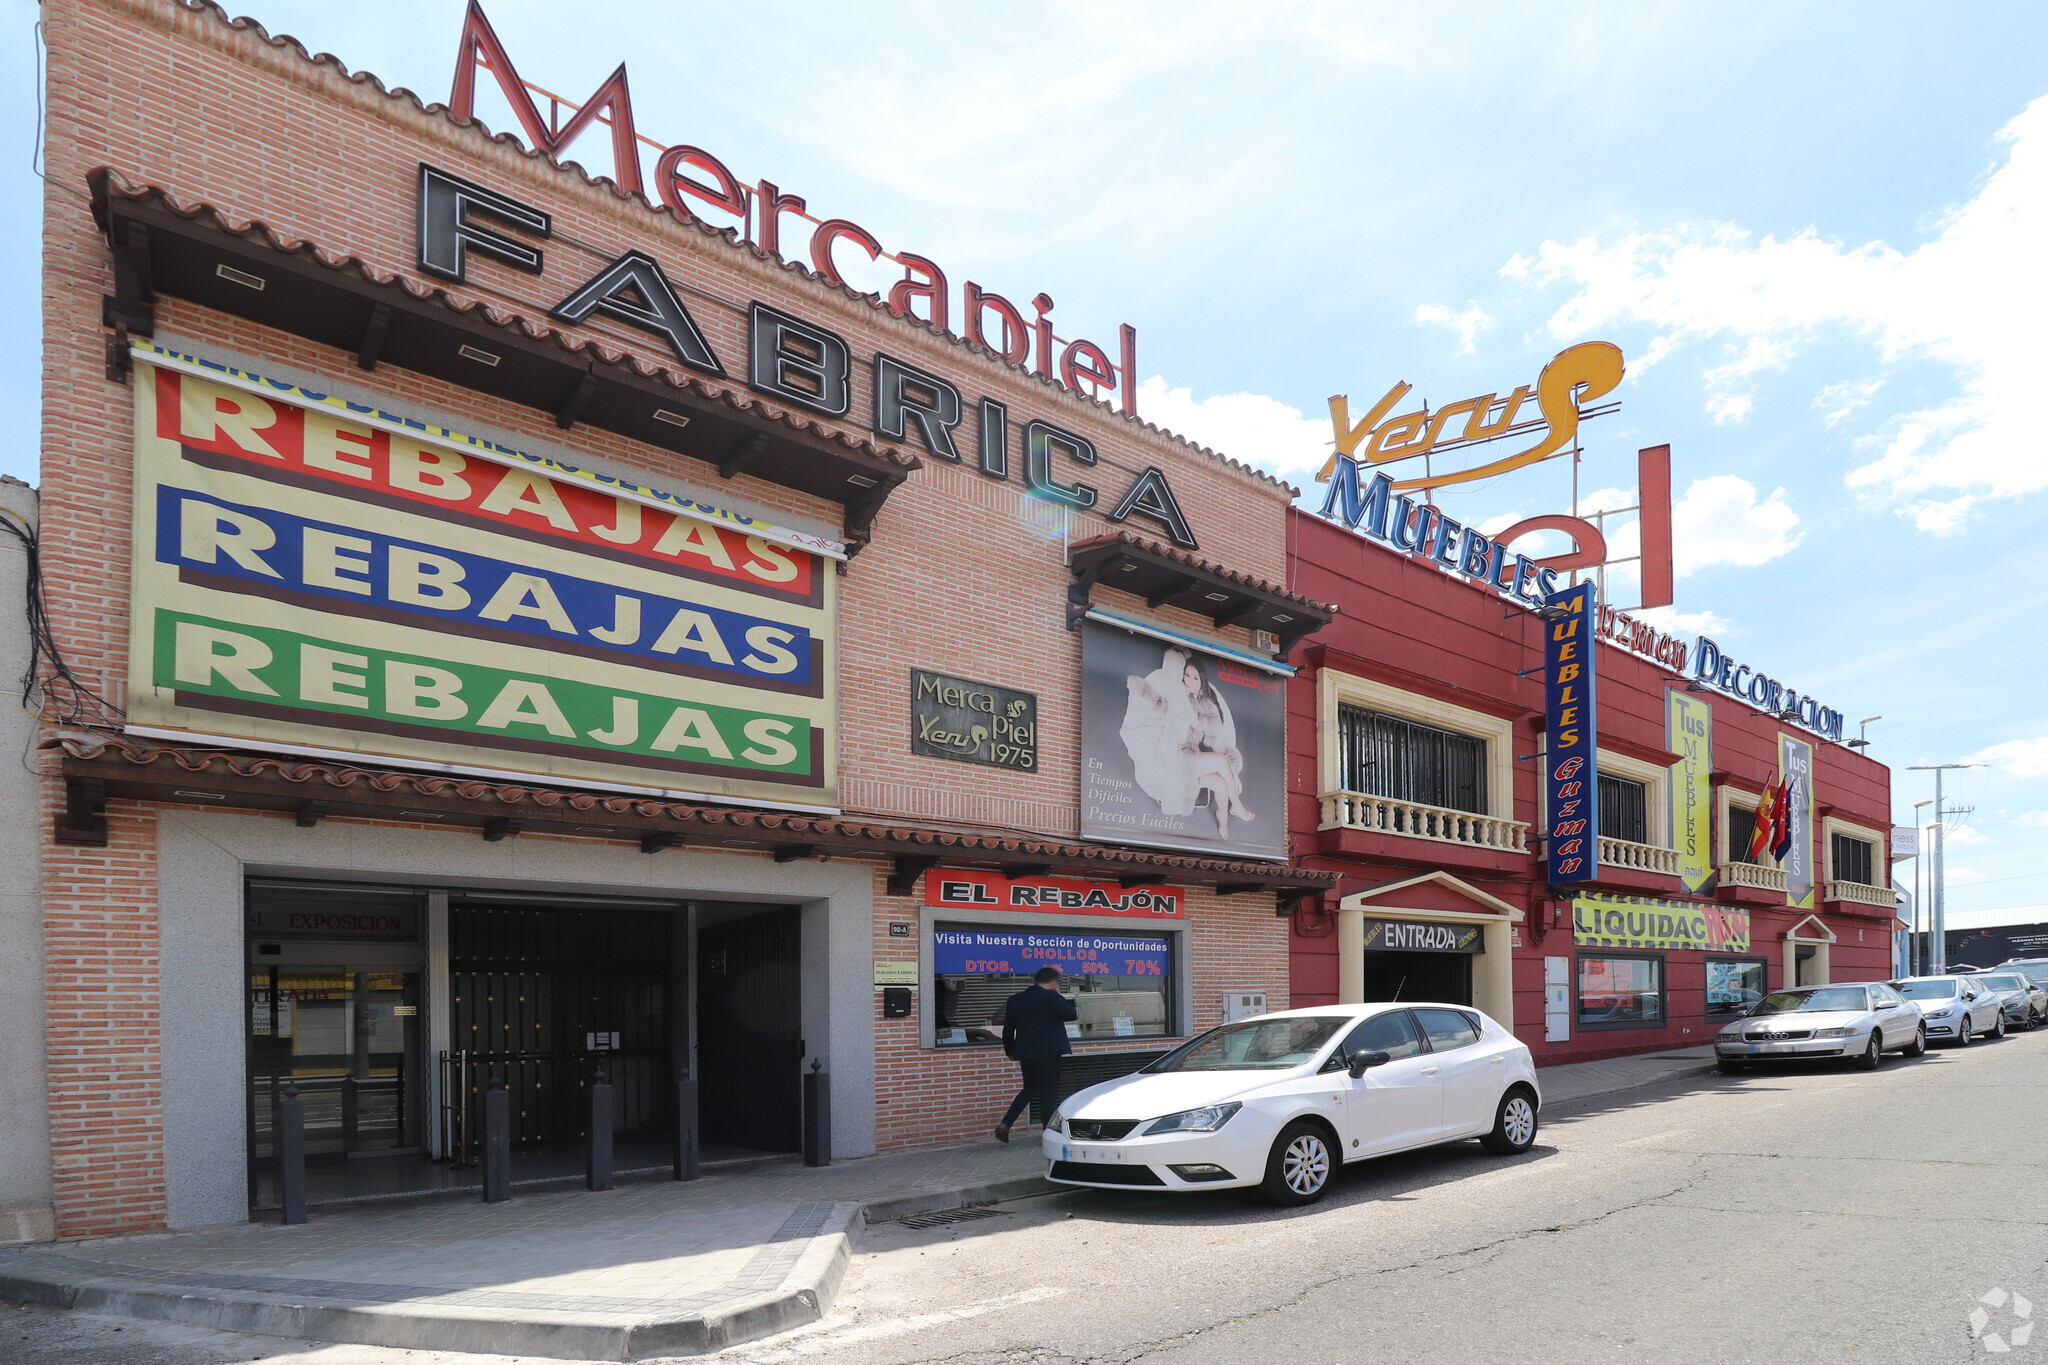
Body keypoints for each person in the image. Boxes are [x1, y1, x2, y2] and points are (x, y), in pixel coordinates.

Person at [1119, 648, 1254, 840]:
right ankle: (1237, 805)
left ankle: (1223, 821)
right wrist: (1141, 689)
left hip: (1189, 757)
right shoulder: (1176, 697)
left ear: (1202, 681)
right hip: (1174, 758)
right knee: (1220, 761)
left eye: (1195, 678)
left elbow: (1218, 738)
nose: (1189, 681)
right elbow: (1158, 703)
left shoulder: (1204, 704)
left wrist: (1234, 775)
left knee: (1221, 784)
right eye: (1187, 676)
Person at [995, 966, 1077, 1142]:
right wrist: (1060, 995)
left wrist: (1010, 1051)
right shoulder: (1052, 997)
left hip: (1026, 1052)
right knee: (1048, 1092)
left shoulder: (1015, 1000)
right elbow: (1071, 1014)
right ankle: (1048, 1134)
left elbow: (1008, 1030)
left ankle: (1005, 1124)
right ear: (1054, 982)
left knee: (1029, 1089)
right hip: (1049, 1052)